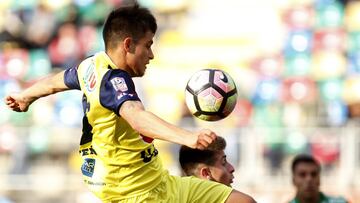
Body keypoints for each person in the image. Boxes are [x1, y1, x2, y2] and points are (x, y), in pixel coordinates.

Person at [4, 3, 256, 203]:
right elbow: (136, 117)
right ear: (128, 45)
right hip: (139, 194)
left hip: (156, 182)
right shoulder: (114, 80)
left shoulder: (91, 65)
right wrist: (188, 137)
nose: (152, 54)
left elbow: (54, 82)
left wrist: (26, 96)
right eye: (147, 45)